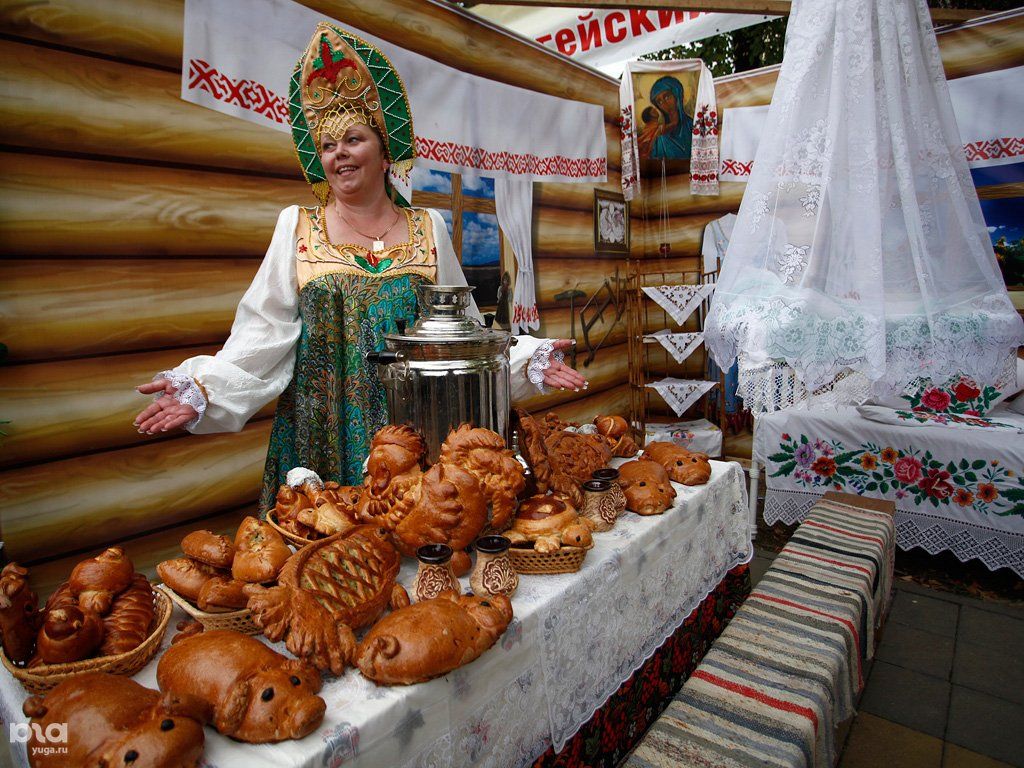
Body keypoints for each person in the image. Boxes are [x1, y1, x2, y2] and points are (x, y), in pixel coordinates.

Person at [133, 23, 587, 510]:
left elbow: (463, 331)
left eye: (353, 139)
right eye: (328, 146)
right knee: (324, 538)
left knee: (418, 531)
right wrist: (205, 388)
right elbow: (263, 334)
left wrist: (527, 359)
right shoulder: (297, 226)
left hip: (413, 429)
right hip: (319, 433)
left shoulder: (427, 226)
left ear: (385, 151)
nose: (340, 154)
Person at [649, 76, 693, 160]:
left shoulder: (693, 126)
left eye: (667, 97)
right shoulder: (660, 137)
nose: (664, 104)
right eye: (659, 101)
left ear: (677, 95)